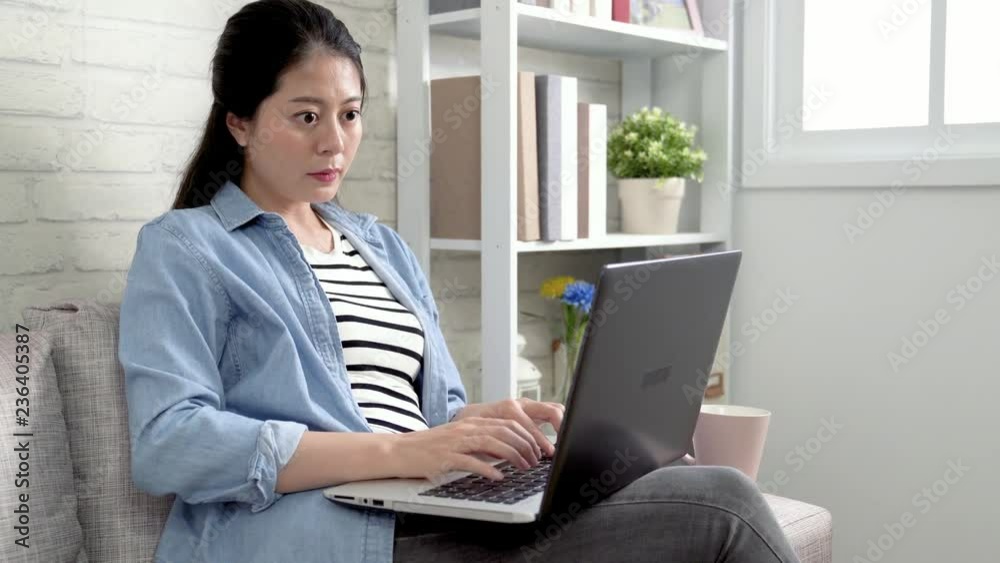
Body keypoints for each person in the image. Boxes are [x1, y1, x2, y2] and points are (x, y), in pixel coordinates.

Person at [118, 1, 802, 562]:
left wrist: (489, 424)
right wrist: (405, 451)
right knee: (723, 504)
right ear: (240, 121)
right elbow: (169, 442)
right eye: (306, 116)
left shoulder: (380, 245)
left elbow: (427, 415)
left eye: (350, 114)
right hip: (324, 535)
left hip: (429, 508)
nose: (335, 142)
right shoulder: (186, 247)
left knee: (672, 473)